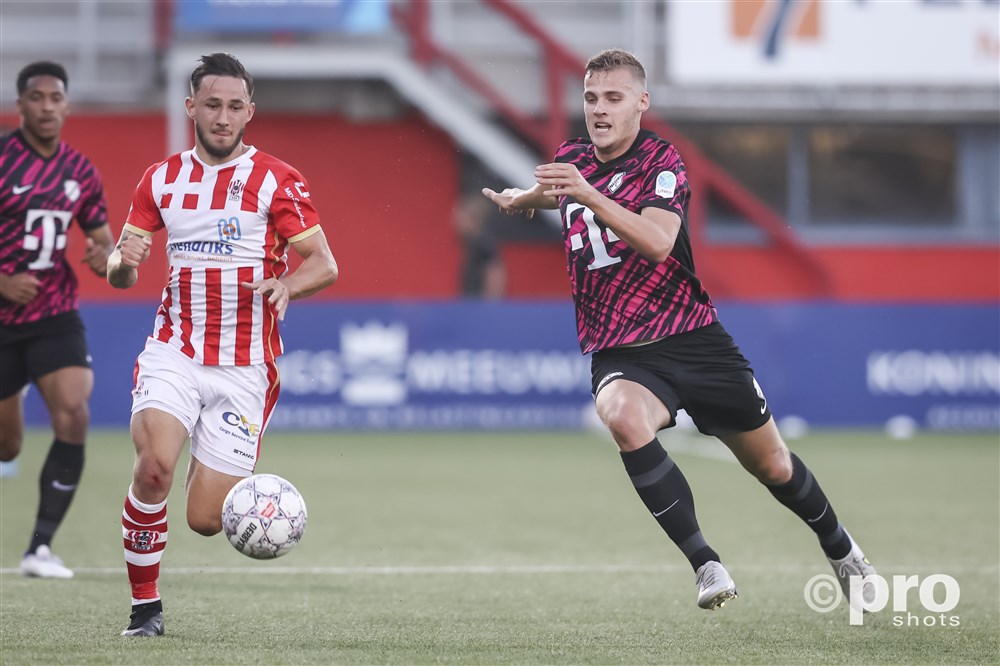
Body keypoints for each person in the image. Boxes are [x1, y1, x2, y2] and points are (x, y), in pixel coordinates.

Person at [482, 49, 876, 611]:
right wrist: (525, 198)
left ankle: (841, 549)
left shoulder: (661, 161)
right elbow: (562, 189)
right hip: (621, 351)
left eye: (613, 98)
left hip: (693, 339)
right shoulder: (573, 158)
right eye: (591, 98)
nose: (599, 109)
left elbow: (658, 242)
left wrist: (588, 193)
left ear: (641, 103)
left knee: (774, 465)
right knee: (620, 415)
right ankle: (705, 562)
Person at [106, 53, 338, 637]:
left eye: (235, 106)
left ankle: (208, 465)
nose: (223, 116)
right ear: (191, 107)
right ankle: (144, 610)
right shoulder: (159, 179)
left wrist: (287, 284)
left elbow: (324, 264)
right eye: (212, 104)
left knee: (206, 520)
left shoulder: (276, 179)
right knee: (154, 468)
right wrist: (120, 263)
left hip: (244, 367)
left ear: (250, 112)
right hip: (175, 349)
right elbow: (121, 267)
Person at [0, 61, 115, 579]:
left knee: (74, 410)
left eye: (55, 98)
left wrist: (103, 256)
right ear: (20, 104)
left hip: (54, 313)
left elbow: (103, 240)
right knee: (8, 445)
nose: (47, 106)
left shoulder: (80, 170)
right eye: (36, 97)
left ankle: (39, 549)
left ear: (66, 106)